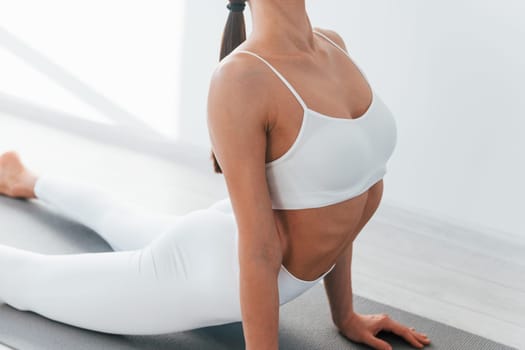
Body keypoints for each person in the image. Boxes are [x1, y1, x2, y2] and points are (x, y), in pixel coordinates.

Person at [0, 1, 431, 350]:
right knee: (28, 281)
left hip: (223, 235)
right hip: (209, 274)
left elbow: (348, 195)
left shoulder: (333, 46)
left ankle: (26, 178)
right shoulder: (242, 78)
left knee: (121, 218)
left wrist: (345, 317)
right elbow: (260, 250)